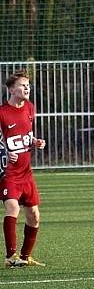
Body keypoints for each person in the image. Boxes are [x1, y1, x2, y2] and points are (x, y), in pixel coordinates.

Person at [1, 71, 47, 268]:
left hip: (26, 172)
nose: (27, 88)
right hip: (8, 172)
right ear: (11, 89)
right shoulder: (1, 112)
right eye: (22, 85)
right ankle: (10, 256)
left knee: (34, 215)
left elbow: (27, 134)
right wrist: (2, 153)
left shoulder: (30, 107)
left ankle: (24, 257)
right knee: (13, 208)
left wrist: (35, 141)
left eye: (28, 85)